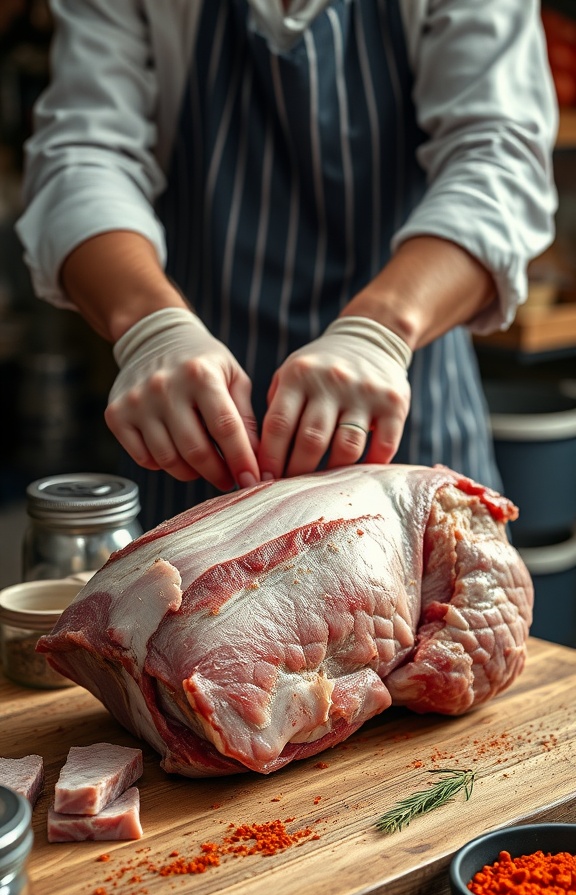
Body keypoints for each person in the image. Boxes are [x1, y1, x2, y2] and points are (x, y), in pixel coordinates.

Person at [16, 0, 558, 530]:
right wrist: (152, 329)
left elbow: (499, 160)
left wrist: (377, 334)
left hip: (408, 435)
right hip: (190, 440)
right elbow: (84, 157)